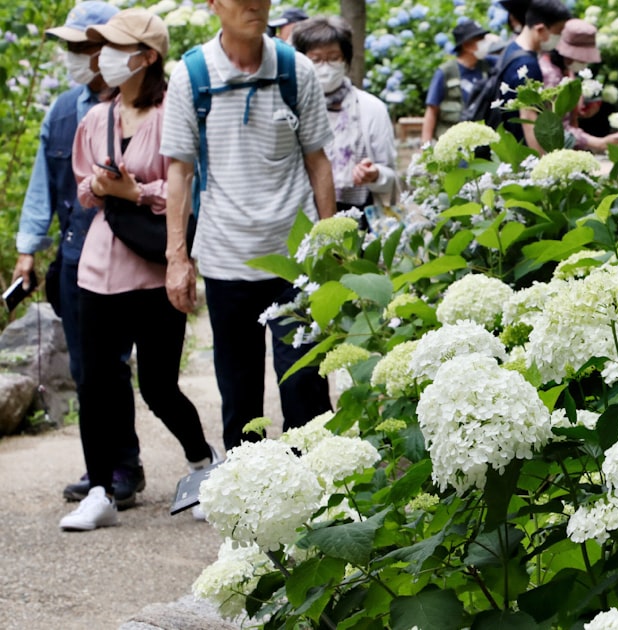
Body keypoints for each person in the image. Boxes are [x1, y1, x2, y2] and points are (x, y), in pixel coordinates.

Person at [60, 8, 217, 531]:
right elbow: (84, 187)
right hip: (99, 268)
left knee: (157, 385)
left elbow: (184, 186)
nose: (103, 56)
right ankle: (101, 490)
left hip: (155, 268)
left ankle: (201, 466)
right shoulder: (96, 117)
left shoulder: (175, 110)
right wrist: (102, 187)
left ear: (147, 57)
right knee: (96, 383)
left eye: (115, 46)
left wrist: (135, 191)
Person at [160, 0, 336, 451]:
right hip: (226, 259)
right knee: (239, 400)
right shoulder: (192, 75)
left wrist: (332, 245)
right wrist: (177, 257)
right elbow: (178, 171)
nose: (255, 3)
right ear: (214, 4)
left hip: (295, 261)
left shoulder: (296, 70)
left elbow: (318, 160)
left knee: (305, 389)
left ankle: (323, 500)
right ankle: (251, 507)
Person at [12, 2, 148, 508]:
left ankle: (125, 466)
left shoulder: (144, 106)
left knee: (116, 365)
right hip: (75, 256)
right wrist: (28, 248)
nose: (74, 56)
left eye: (83, 46)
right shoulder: (64, 110)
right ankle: (102, 471)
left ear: (110, 50)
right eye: (69, 47)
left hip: (133, 253)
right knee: (89, 368)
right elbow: (41, 187)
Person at [291, 16, 397, 214]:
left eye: (333, 58)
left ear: (346, 60)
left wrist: (373, 175)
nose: (325, 67)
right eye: (316, 59)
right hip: (302, 214)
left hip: (358, 217)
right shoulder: (291, 109)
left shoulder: (371, 109)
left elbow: (390, 177)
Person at [538, 19, 618, 153]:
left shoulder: (565, 69)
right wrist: (599, 143)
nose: (585, 62)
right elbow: (555, 127)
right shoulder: (551, 76)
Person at [499, 0, 572, 152]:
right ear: (540, 29)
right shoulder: (527, 65)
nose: (559, 38)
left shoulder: (511, 49)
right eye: (558, 33)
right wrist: (543, 164)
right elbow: (529, 117)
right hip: (521, 152)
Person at [421, 20, 492, 144]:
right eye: (480, 39)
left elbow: (506, 53)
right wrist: (425, 146)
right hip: (452, 142)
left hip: (480, 142)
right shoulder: (446, 72)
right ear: (467, 45)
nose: (484, 43)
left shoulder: (488, 66)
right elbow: (432, 110)